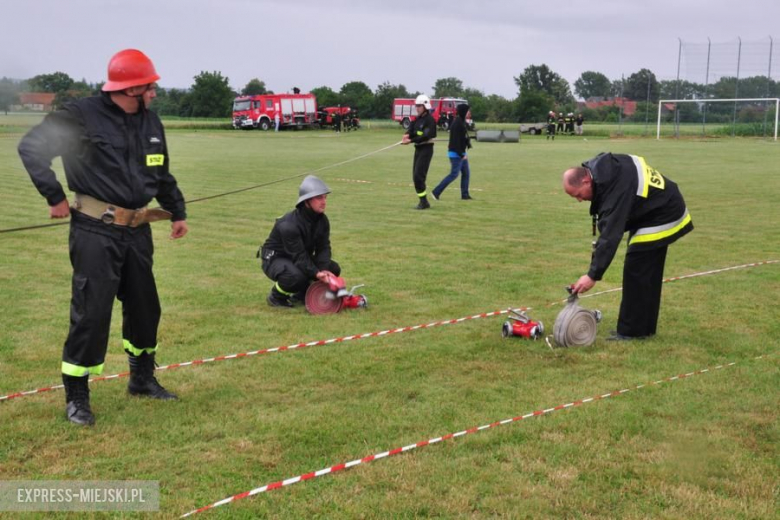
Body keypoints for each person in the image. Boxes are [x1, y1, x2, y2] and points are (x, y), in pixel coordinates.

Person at [17, 49, 188, 426]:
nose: (154, 93)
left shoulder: (150, 123)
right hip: (95, 231)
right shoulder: (80, 117)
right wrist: (55, 195)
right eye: (150, 87)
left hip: (138, 232)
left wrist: (177, 211)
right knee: (92, 313)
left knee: (146, 307)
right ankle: (77, 396)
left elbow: (160, 173)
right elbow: (31, 148)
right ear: (131, 89)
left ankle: (142, 379)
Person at [562, 153, 693, 341]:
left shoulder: (615, 189)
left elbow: (610, 236)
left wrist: (592, 275)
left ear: (585, 181)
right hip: (653, 209)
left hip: (664, 212)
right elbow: (607, 225)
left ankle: (631, 332)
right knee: (646, 272)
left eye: (578, 195)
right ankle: (644, 329)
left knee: (637, 269)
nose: (579, 200)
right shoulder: (602, 171)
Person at [259, 176, 341, 308]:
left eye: (325, 197)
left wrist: (324, 269)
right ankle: (276, 297)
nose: (324, 202)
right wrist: (316, 273)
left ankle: (302, 295)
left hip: (297, 257)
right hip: (275, 258)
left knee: (333, 268)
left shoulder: (322, 220)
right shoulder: (289, 225)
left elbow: (324, 247)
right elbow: (299, 256)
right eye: (319, 198)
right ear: (307, 201)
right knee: (296, 276)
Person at [401, 95, 437, 210]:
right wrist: (407, 134)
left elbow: (426, 136)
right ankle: (423, 201)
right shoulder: (417, 119)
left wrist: (411, 140)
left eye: (419, 106)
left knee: (418, 176)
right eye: (416, 106)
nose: (417, 108)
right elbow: (412, 130)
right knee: (415, 177)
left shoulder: (430, 120)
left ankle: (424, 202)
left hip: (426, 149)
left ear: (425, 106)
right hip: (418, 149)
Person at [432, 103, 473, 200]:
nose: (469, 113)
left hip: (461, 152)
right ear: (464, 111)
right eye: (468, 111)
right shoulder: (457, 123)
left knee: (466, 173)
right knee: (454, 174)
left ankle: (465, 194)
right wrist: (461, 154)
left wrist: (467, 142)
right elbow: (455, 142)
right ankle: (436, 192)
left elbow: (462, 138)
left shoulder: (462, 122)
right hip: (456, 154)